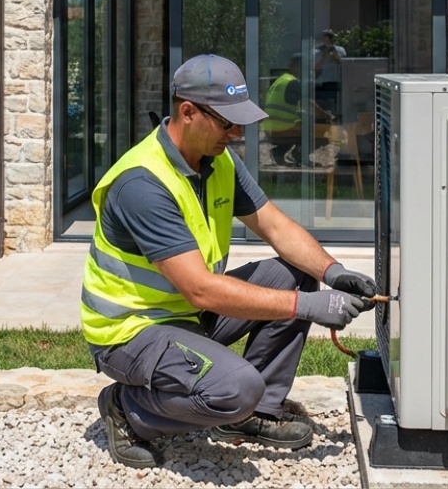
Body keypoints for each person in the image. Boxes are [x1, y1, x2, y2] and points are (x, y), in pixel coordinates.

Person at [81, 54, 378, 468]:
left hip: (188, 314)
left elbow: (276, 227)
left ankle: (252, 415)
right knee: (237, 387)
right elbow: (200, 288)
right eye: (227, 122)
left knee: (296, 274)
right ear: (187, 112)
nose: (237, 133)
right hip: (133, 330)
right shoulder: (143, 183)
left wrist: (333, 272)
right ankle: (128, 407)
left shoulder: (217, 161)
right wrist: (308, 307)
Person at [260, 52, 335, 166]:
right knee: (321, 127)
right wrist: (326, 116)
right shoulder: (293, 83)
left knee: (302, 121)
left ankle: (279, 152)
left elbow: (284, 108)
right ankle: (300, 154)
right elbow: (309, 105)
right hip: (283, 127)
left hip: (270, 127)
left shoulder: (281, 80)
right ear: (296, 66)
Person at [313, 29, 346, 111]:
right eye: (324, 37)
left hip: (333, 81)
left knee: (332, 106)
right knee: (319, 106)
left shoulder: (340, 50)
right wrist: (324, 54)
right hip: (319, 82)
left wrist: (333, 52)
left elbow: (341, 63)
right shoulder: (316, 51)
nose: (326, 40)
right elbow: (317, 67)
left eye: (329, 37)